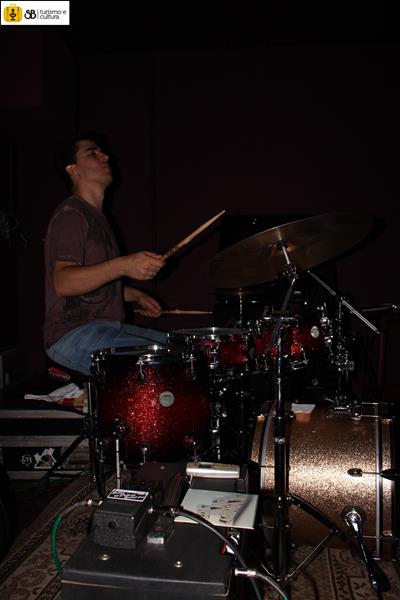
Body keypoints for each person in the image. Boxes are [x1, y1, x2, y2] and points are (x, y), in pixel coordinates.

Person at [43, 132, 168, 375]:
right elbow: (63, 282)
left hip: (103, 328)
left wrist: (134, 295)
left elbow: (91, 288)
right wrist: (123, 265)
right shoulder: (72, 215)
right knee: (171, 361)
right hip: (73, 335)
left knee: (181, 348)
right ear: (72, 169)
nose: (105, 156)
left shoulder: (97, 218)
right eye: (93, 153)